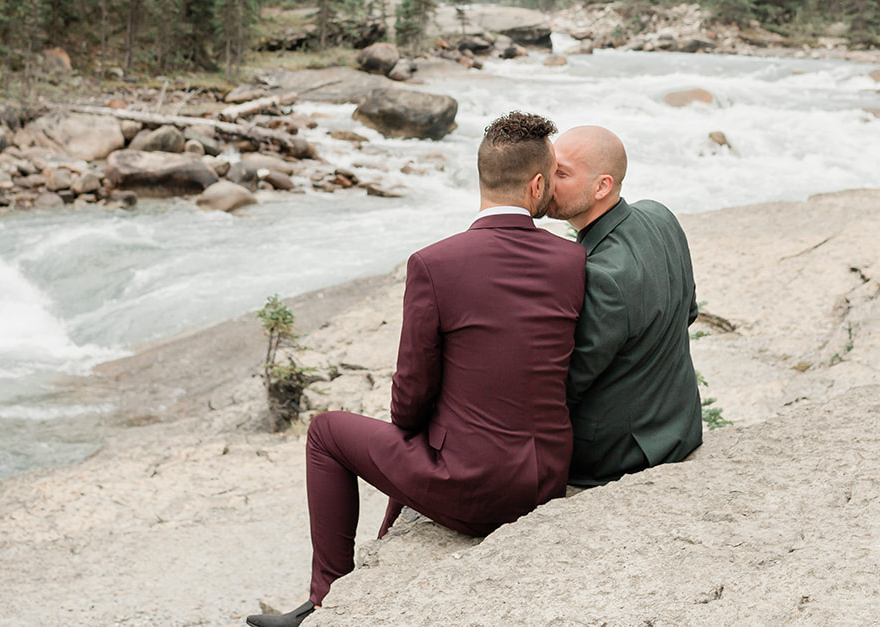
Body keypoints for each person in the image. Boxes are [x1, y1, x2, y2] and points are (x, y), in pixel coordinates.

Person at [247, 111, 586, 627]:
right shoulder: (570, 261)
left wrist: (416, 433)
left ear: (482, 179)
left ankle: (325, 600)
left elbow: (409, 397)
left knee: (325, 432)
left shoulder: (434, 264)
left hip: (477, 490)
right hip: (548, 477)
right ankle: (369, 560)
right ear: (538, 185)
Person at [548, 125, 703, 488]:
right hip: (681, 425)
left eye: (562, 173)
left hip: (618, 455)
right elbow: (689, 313)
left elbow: (567, 385)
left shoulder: (599, 274)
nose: (546, 181)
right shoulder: (660, 216)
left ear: (602, 186)